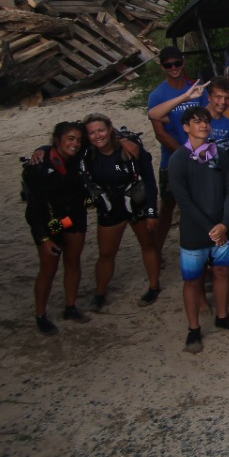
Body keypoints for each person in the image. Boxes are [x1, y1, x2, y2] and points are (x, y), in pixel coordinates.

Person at [170, 107, 229, 353]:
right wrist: (211, 228)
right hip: (195, 232)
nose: (203, 125)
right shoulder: (178, 159)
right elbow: (183, 201)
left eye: (205, 121)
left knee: (222, 271)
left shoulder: (219, 154)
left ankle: (222, 317)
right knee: (193, 280)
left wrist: (225, 224)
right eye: (196, 122)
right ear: (186, 127)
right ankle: (193, 329)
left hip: (221, 228)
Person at [79, 114, 160, 310]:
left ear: (110, 129)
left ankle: (154, 287)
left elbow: (150, 181)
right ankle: (99, 294)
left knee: (148, 246)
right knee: (106, 253)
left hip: (136, 203)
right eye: (92, 132)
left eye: (101, 130)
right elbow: (65, 137)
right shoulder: (87, 153)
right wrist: (42, 150)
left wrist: (151, 212)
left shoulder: (132, 149)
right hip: (110, 207)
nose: (97, 136)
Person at [24, 121, 92, 333]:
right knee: (48, 268)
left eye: (78, 140)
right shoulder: (39, 167)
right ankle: (40, 315)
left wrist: (124, 140)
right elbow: (34, 210)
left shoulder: (78, 157)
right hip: (49, 223)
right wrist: (43, 238)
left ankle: (70, 307)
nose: (75, 143)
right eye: (70, 139)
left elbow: (103, 133)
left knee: (73, 262)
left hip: (73, 218)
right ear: (57, 140)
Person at [147, 45, 203, 252]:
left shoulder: (196, 88)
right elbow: (160, 133)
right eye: (168, 65)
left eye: (177, 63)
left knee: (200, 204)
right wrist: (185, 153)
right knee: (168, 207)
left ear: (183, 63)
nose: (173, 68)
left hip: (200, 155)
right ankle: (156, 250)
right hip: (172, 159)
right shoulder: (157, 95)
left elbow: (208, 118)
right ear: (162, 67)